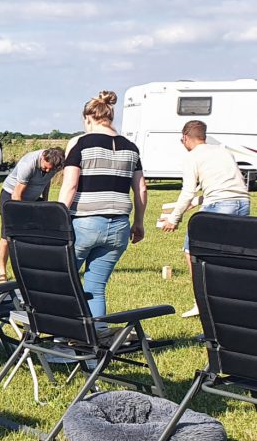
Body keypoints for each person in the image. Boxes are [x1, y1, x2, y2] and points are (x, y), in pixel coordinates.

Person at [56, 90, 147, 320]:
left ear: (88, 118)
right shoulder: (131, 147)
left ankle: (60, 334)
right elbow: (141, 189)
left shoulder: (80, 144)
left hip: (85, 223)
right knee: (95, 287)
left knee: (60, 280)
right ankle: (97, 338)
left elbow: (70, 186)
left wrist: (55, 219)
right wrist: (138, 223)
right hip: (119, 227)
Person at [160, 119, 251, 317]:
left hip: (220, 205)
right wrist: (199, 201)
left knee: (193, 251)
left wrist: (173, 219)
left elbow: (187, 192)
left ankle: (203, 301)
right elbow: (225, 185)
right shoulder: (222, 151)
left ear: (185, 137)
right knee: (231, 256)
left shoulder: (192, 157)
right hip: (243, 203)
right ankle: (234, 300)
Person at [0, 147, 65, 281]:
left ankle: (30, 270)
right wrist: (21, 216)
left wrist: (45, 201)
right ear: (43, 157)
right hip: (11, 196)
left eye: (51, 170)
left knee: (33, 234)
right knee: (8, 235)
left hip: (32, 197)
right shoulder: (28, 164)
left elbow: (46, 182)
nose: (48, 171)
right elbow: (17, 194)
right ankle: (2, 273)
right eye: (45, 168)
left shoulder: (54, 165)